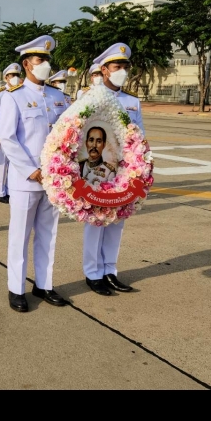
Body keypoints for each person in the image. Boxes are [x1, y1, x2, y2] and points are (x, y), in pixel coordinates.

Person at [0, 34, 69, 312]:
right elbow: (8, 138)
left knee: (48, 234)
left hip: (54, 179)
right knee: (20, 236)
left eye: (48, 60)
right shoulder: (13, 96)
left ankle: (44, 284)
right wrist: (31, 170)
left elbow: (67, 135)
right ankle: (16, 289)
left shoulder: (58, 96)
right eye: (41, 60)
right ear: (27, 64)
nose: (46, 65)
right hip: (26, 180)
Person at [81, 42, 143, 296]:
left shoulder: (131, 101)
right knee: (96, 221)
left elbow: (139, 136)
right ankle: (92, 273)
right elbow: (79, 134)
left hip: (123, 172)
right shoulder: (91, 98)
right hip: (95, 170)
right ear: (105, 70)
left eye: (125, 67)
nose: (122, 72)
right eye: (117, 67)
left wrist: (140, 165)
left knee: (117, 221)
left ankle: (110, 271)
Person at [0, 63, 22, 204]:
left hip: (18, 133)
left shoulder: (22, 91)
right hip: (3, 134)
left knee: (15, 163)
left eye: (17, 75)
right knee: (2, 164)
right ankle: (0, 191)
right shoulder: (0, 92)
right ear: (6, 77)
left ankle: (10, 190)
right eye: (12, 75)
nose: (15, 78)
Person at [78, 125, 117, 189]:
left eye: (99, 141)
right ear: (86, 143)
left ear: (103, 145)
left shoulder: (109, 172)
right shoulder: (78, 166)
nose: (94, 145)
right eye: (91, 140)